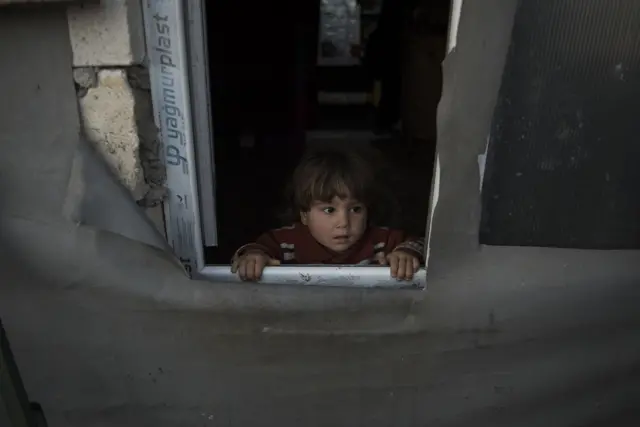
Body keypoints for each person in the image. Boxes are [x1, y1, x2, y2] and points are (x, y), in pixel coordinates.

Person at [231, 147, 425, 281]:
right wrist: (254, 257)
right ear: (304, 215)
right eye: (329, 210)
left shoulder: (381, 241)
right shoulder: (285, 242)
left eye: (355, 209)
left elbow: (422, 245)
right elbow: (253, 250)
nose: (344, 222)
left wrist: (406, 254)